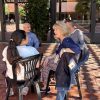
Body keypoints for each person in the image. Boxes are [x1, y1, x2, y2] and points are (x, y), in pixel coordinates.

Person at [40, 21, 81, 100]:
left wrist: (65, 50)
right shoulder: (63, 40)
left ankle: (47, 83)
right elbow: (57, 53)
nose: (54, 31)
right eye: (54, 29)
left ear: (62, 30)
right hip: (66, 64)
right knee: (46, 61)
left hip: (68, 66)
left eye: (56, 29)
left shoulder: (67, 40)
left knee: (45, 64)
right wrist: (48, 57)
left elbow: (77, 49)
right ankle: (48, 82)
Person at [2, 30, 39, 96]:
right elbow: (37, 66)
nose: (29, 38)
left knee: (5, 72)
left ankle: (9, 89)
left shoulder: (6, 49)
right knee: (36, 71)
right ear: (23, 40)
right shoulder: (32, 50)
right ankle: (26, 86)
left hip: (13, 76)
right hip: (28, 76)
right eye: (27, 37)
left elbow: (6, 63)